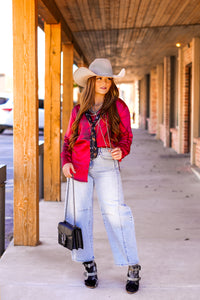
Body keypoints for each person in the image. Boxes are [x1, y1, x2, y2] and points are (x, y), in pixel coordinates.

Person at [61, 58, 141, 294]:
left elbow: (126, 137)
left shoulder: (119, 107)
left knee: (116, 213)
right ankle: (89, 264)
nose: (104, 83)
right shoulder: (78, 110)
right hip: (79, 166)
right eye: (100, 78)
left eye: (108, 79)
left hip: (107, 163)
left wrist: (121, 150)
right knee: (80, 215)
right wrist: (66, 161)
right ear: (91, 81)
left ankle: (132, 264)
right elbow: (68, 140)